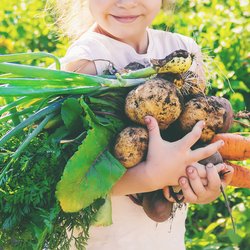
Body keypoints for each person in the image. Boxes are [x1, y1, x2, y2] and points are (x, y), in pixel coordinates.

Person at [53, 1, 234, 249]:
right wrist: (151, 176)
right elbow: (72, 184)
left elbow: (191, 134)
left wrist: (200, 183)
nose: (126, 2)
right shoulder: (85, 63)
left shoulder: (183, 50)